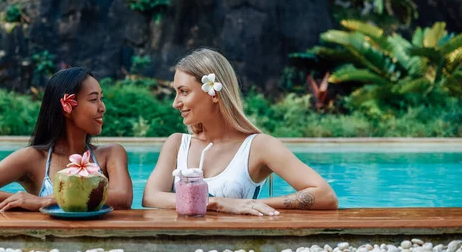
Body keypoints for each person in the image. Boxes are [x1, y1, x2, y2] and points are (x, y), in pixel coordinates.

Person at [143, 49, 338, 216]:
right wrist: (218, 203)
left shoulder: (258, 146)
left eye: (184, 92)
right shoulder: (177, 144)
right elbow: (150, 197)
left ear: (214, 93)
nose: (175, 103)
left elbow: (325, 195)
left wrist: (248, 206)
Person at [0, 67, 133, 211]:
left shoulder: (110, 154)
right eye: (93, 99)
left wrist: (45, 201)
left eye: (101, 99)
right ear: (67, 108)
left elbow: (123, 197)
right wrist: (21, 200)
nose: (102, 107)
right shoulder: (34, 158)